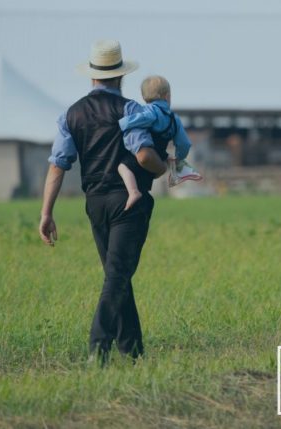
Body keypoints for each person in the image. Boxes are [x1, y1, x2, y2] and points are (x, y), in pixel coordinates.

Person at [39, 40, 168, 364]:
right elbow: (143, 154)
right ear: (121, 75)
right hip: (128, 203)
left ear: (92, 75)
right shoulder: (131, 110)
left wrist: (46, 212)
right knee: (118, 276)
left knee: (116, 274)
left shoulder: (71, 114)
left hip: (94, 203)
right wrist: (164, 166)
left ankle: (133, 350)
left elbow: (58, 164)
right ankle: (99, 348)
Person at [116, 75, 202, 210]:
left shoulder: (150, 112)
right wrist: (179, 157)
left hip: (146, 154)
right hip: (160, 154)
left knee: (122, 167)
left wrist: (122, 123)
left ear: (144, 97)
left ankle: (133, 191)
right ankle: (177, 168)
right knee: (166, 161)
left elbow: (139, 120)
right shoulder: (175, 119)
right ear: (167, 96)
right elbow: (184, 144)